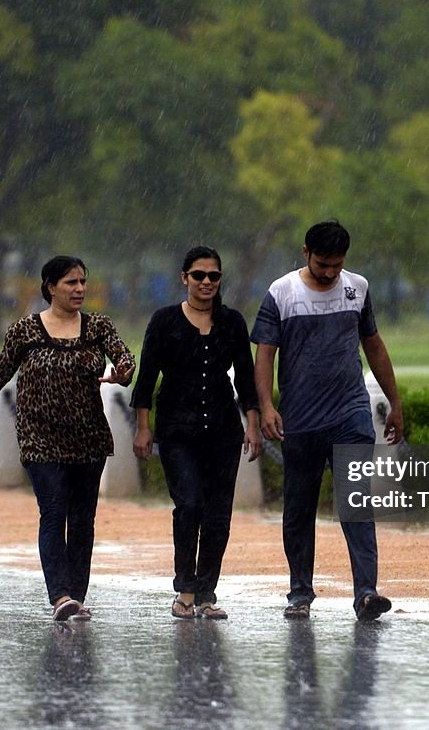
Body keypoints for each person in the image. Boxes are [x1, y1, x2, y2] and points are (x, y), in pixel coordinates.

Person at [0, 255, 135, 622]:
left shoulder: (98, 326)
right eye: (71, 283)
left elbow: (124, 359)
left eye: (83, 282)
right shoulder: (25, 330)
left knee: (83, 518)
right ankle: (60, 595)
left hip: (88, 437)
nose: (80, 289)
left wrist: (122, 372)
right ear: (50, 287)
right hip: (40, 438)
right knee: (54, 511)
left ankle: (77, 596)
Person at [251, 220, 403, 621]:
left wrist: (395, 401)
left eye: (337, 265)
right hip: (299, 421)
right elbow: (264, 354)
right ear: (306, 253)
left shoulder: (358, 288)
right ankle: (300, 591)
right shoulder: (281, 293)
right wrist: (267, 406)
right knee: (299, 508)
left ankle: (367, 593)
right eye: (323, 264)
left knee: (356, 503)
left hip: (349, 414)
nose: (331, 273)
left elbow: (373, 344)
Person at [131, 246, 262, 620]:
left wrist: (252, 423)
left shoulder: (233, 322)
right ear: (184, 278)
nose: (206, 282)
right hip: (177, 429)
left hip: (223, 429)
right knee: (189, 505)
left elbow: (246, 377)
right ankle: (185, 589)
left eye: (214, 276)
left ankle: (207, 593)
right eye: (199, 275)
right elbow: (147, 377)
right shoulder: (164, 321)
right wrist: (143, 427)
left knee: (219, 514)